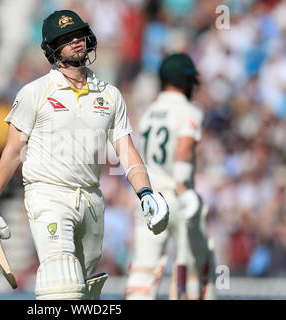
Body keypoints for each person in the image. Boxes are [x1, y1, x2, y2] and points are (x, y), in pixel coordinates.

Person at [0, 9, 169, 300]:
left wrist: (147, 192)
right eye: (66, 38)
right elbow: (12, 153)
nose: (76, 42)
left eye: (79, 35)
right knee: (62, 284)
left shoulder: (109, 95)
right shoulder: (35, 92)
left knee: (85, 293)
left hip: (91, 199)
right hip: (48, 195)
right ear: (52, 48)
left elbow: (127, 151)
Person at [125, 53, 216, 300]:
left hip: (151, 199)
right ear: (185, 80)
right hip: (177, 195)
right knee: (195, 267)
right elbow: (184, 149)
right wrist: (185, 191)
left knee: (143, 271)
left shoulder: (149, 112)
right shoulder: (188, 111)